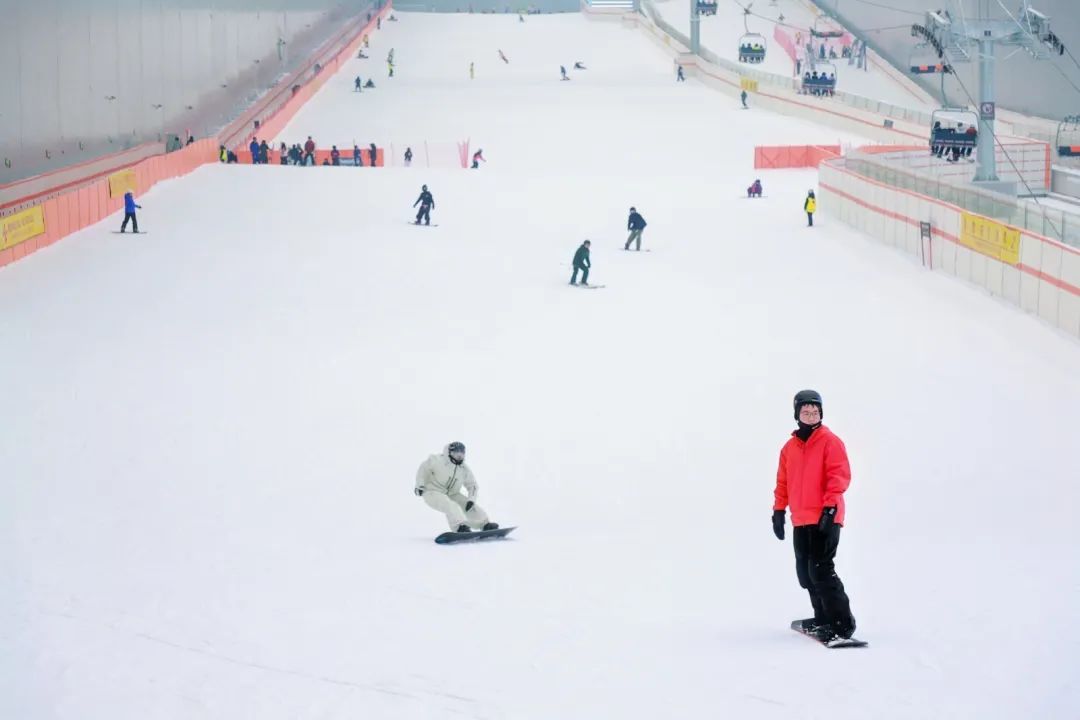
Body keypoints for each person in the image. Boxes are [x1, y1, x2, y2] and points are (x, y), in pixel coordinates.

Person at [772, 390, 856, 642]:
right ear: (797, 414)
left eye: (815, 411)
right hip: (801, 519)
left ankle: (842, 625)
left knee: (821, 569)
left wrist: (830, 509)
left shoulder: (830, 441)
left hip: (825, 517)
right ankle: (822, 617)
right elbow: (783, 482)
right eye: (806, 411)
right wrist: (778, 510)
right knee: (806, 573)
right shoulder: (789, 448)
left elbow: (838, 474)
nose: (811, 415)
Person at [415, 442, 498, 533]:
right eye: (456, 452)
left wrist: (471, 499)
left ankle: (485, 525)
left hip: (452, 494)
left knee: (469, 506)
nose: (459, 455)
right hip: (432, 492)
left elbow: (472, 485)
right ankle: (459, 527)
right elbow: (423, 469)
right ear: (449, 452)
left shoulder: (464, 469)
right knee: (451, 505)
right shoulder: (437, 460)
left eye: (462, 453)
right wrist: (420, 485)